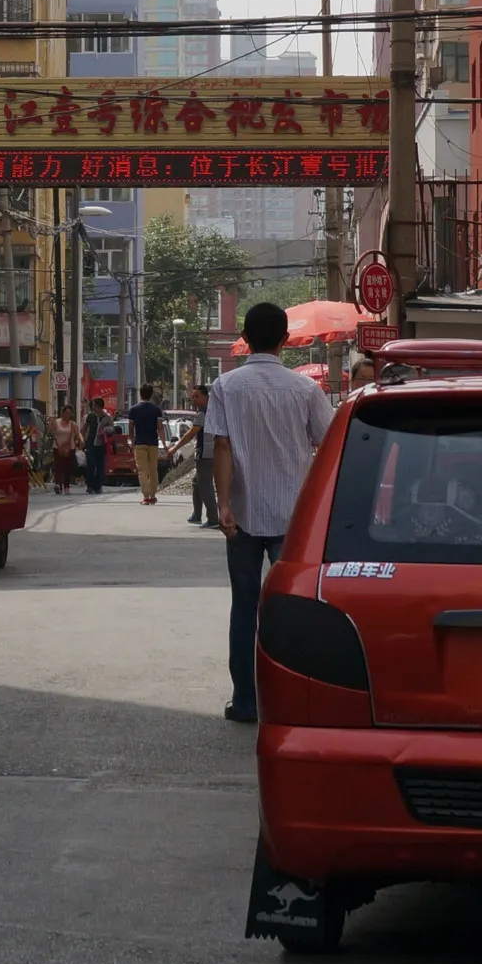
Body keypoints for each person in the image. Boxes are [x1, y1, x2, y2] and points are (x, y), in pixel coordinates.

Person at [206, 303, 334, 724]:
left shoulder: (226, 386)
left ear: (245, 337)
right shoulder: (305, 390)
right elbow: (329, 446)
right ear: (286, 340)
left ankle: (245, 701)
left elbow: (220, 446)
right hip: (293, 520)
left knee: (244, 607)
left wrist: (224, 505)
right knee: (292, 610)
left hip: (241, 517)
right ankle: (293, 699)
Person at [176, 383, 218, 527]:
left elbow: (190, 434)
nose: (194, 399)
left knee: (205, 485)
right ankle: (197, 514)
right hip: (213, 452)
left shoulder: (202, 414)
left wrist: (174, 448)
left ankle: (213, 519)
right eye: (192, 397)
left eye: (197, 396)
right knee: (197, 482)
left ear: (206, 397)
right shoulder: (214, 411)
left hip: (205, 453)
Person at [129, 381, 165, 505]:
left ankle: (146, 496)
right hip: (153, 443)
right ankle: (153, 495)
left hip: (139, 443)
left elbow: (131, 429)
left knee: (142, 471)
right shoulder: (157, 410)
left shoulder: (133, 410)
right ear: (151, 394)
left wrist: (132, 442)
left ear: (140, 394)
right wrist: (164, 444)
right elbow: (160, 428)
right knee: (153, 470)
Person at [50, 403, 81, 495]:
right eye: (66, 413)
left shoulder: (73, 424)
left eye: (69, 413)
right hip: (57, 447)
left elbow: (77, 435)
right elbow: (50, 432)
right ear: (62, 413)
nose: (68, 415)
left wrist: (77, 441)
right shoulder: (56, 422)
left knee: (67, 467)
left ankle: (66, 487)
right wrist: (51, 422)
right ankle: (58, 485)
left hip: (69, 448)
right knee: (58, 466)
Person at [82, 397, 108, 496]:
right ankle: (90, 485)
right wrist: (81, 440)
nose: (93, 407)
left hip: (101, 444)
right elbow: (84, 428)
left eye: (94, 405)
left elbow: (111, 429)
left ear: (99, 406)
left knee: (100, 466)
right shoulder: (91, 416)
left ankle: (98, 486)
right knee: (90, 464)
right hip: (91, 444)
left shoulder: (107, 417)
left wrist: (105, 432)